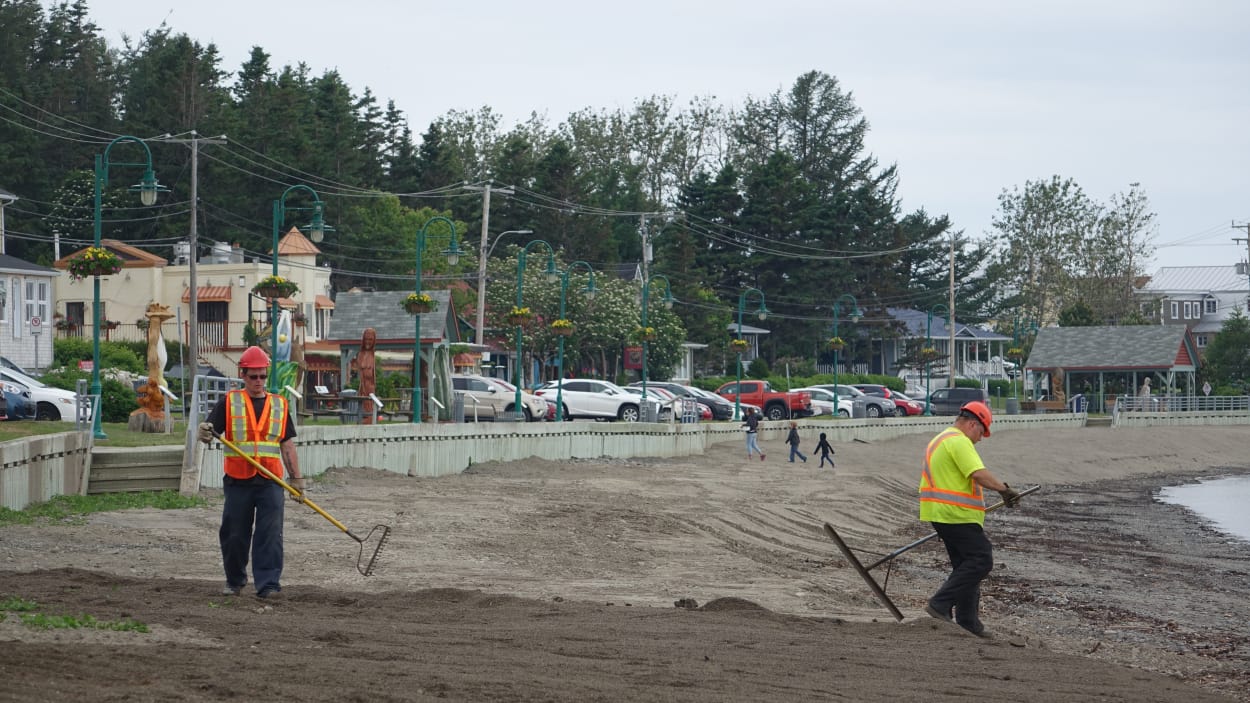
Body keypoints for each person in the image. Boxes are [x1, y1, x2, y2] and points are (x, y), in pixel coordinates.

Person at [197, 346, 304, 600]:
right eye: (253, 376)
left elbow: (286, 444)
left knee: (270, 534)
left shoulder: (280, 405)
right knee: (234, 534)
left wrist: (297, 479)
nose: (258, 381)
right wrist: (203, 432)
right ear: (242, 375)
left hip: (271, 481)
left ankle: (268, 585)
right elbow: (210, 432)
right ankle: (234, 581)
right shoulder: (230, 402)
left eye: (262, 376)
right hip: (238, 480)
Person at [919, 400, 1020, 637]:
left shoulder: (941, 439)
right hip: (955, 514)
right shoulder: (958, 441)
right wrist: (1004, 490)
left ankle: (968, 621)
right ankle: (940, 604)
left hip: (941, 513)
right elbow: (978, 474)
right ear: (973, 424)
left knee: (965, 566)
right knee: (981, 559)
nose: (981, 439)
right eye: (982, 432)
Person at [358, 327, 377, 425]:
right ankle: (364, 418)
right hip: (363, 385)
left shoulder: (373, 355)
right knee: (363, 402)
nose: (368, 342)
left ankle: (370, 418)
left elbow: (373, 374)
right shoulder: (361, 354)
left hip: (370, 385)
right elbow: (361, 370)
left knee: (370, 403)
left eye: (370, 339)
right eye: (366, 339)